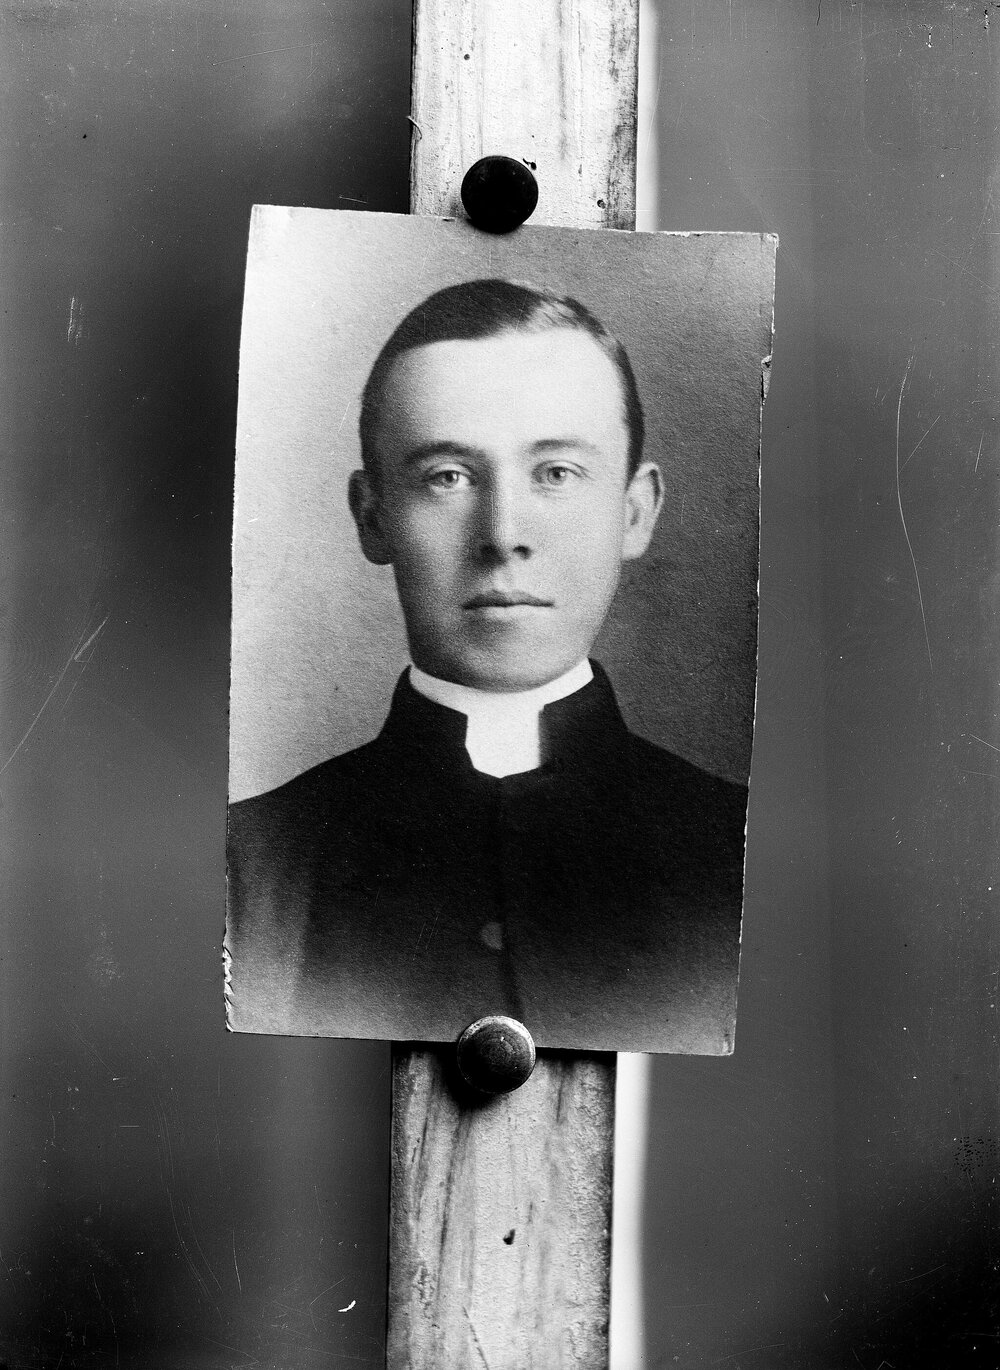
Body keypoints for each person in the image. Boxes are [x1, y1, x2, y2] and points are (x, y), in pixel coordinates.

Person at [226, 279, 749, 1053]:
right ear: (372, 516)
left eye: (557, 473)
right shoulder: (251, 868)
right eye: (448, 477)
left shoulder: (737, 849)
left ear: (635, 512)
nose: (503, 535)